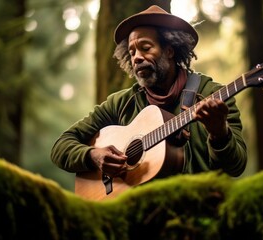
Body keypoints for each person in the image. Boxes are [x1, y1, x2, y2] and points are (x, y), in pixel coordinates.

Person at [51, 5, 247, 191]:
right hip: (134, 211)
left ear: (170, 50)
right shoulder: (120, 104)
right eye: (132, 52)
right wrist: (92, 155)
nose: (136, 57)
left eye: (145, 48)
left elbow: (235, 168)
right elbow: (61, 146)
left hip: (200, 211)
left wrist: (219, 133)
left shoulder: (213, 96)